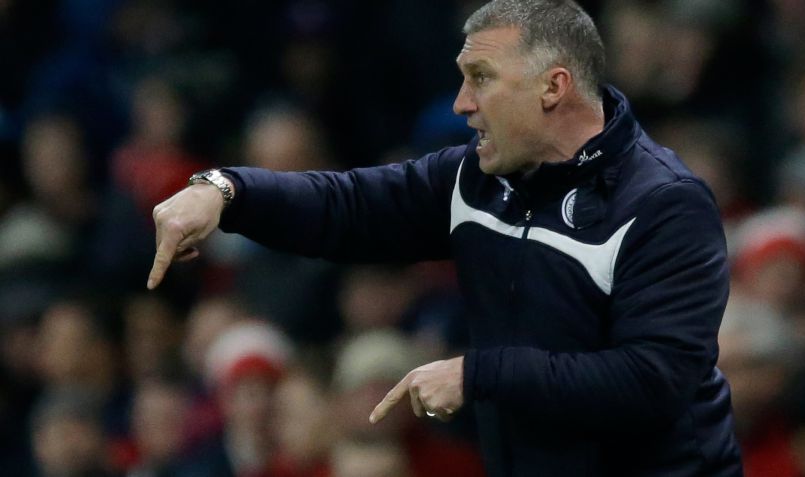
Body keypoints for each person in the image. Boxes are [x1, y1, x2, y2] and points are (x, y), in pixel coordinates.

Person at [147, 0, 742, 475]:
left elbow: (652, 380)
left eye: (481, 79)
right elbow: (347, 206)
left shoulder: (663, 205)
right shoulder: (475, 177)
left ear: (553, 87)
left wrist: (479, 375)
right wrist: (227, 191)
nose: (462, 104)